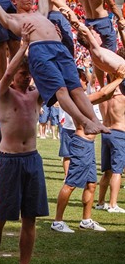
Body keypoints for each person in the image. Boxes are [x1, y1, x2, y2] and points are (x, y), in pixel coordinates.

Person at [0, 0, 108, 136]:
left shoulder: (40, 13)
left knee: (76, 89)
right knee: (60, 90)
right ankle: (84, 122)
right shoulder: (11, 18)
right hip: (40, 50)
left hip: (59, 48)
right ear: (14, 0)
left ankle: (95, 120)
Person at [0, 24, 48, 264]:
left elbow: (51, 80)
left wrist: (44, 46)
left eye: (28, 73)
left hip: (32, 159)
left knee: (30, 219)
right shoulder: (3, 93)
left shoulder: (37, 96)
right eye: (22, 72)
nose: (26, 77)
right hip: (8, 160)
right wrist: (25, 44)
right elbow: (5, 73)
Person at [50, 73, 124, 233]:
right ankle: (57, 221)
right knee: (70, 184)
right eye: (84, 78)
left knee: (91, 184)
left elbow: (106, 94)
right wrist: (119, 78)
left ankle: (86, 219)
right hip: (81, 144)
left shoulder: (80, 97)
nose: (86, 80)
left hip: (89, 145)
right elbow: (103, 94)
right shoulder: (74, 99)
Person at [76, 0, 125, 86]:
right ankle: (113, 88)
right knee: (110, 56)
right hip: (103, 22)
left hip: (88, 23)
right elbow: (113, 6)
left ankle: (103, 86)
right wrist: (120, 18)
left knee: (96, 56)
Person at [96, 53, 125, 213]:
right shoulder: (122, 95)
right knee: (117, 171)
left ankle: (100, 202)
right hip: (119, 133)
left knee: (106, 171)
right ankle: (113, 204)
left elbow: (97, 68)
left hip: (106, 132)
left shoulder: (104, 92)